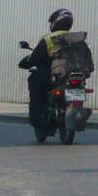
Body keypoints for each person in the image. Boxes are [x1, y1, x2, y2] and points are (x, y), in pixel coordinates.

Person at [18, 8, 79, 140]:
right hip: (74, 76)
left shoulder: (49, 39)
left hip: (52, 77)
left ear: (55, 22)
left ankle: (40, 123)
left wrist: (26, 63)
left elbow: (34, 58)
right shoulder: (77, 38)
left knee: (34, 83)